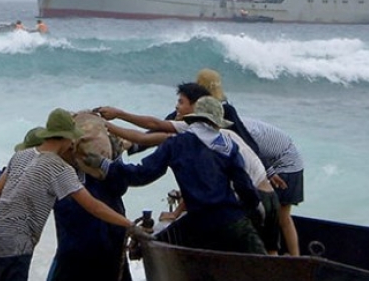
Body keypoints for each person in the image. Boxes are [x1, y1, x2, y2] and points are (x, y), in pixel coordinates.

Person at [90, 97, 266, 255]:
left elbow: (141, 175)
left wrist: (105, 165)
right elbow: (244, 187)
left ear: (194, 119)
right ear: (216, 124)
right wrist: (253, 206)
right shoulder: (228, 145)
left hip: (199, 225)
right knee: (264, 267)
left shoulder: (175, 144)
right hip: (232, 222)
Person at [0, 108, 139, 281]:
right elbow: (94, 207)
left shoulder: (21, 155)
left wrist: (4, 224)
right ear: (66, 137)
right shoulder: (59, 168)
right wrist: (129, 225)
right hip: (18, 239)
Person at [48, 130, 132, 281]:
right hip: (106, 243)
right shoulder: (106, 160)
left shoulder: (63, 171)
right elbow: (119, 188)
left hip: (78, 248)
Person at [242, 117, 305, 256]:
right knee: (283, 218)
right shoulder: (241, 125)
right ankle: (294, 258)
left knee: (275, 217)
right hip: (289, 162)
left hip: (286, 166)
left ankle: (280, 258)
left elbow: (253, 157)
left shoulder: (244, 133)